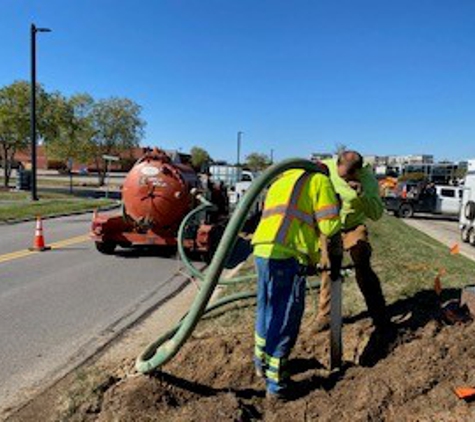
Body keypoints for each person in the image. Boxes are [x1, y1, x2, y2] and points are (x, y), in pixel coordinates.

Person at [251, 164, 342, 400]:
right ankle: (277, 385)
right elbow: (329, 226)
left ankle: (261, 363)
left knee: (266, 308)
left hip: (263, 250)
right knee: (285, 316)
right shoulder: (319, 181)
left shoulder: (282, 180)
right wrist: (337, 206)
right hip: (287, 254)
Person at [315, 150, 395, 366]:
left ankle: (379, 316)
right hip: (329, 226)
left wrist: (361, 196)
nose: (344, 180)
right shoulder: (324, 168)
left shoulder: (368, 180)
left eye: (348, 177)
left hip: (353, 226)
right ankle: (325, 316)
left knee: (362, 260)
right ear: (336, 164)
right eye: (341, 176)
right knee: (328, 269)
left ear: (358, 172)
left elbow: (376, 214)